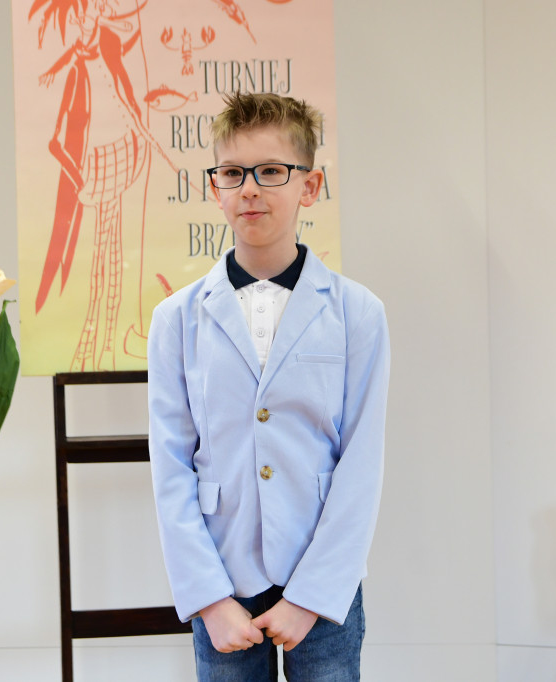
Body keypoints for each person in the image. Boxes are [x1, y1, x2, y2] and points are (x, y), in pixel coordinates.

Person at [147, 91, 390, 681]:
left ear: (310, 185)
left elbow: (361, 462)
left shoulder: (358, 312)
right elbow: (171, 465)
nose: (250, 189)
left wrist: (312, 596)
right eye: (233, 173)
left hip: (322, 580)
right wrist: (209, 598)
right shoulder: (176, 319)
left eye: (272, 171)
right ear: (216, 187)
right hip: (223, 577)